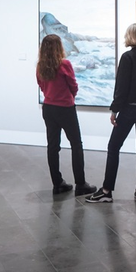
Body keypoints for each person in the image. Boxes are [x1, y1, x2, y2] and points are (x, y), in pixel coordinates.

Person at [87, 23, 136, 203]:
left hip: (131, 108)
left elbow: (122, 87)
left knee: (114, 146)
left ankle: (106, 190)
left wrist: (115, 109)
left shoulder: (127, 57)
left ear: (129, 37)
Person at [36, 34, 97, 196]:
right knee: (76, 144)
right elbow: (73, 85)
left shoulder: (40, 66)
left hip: (48, 108)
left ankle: (57, 184)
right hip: (65, 109)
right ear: (59, 47)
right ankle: (81, 184)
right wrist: (68, 96)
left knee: (53, 146)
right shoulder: (65, 64)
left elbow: (41, 85)